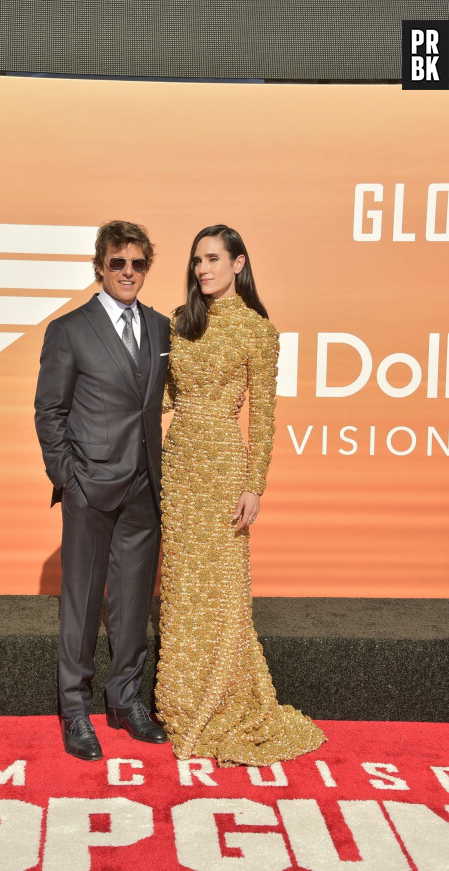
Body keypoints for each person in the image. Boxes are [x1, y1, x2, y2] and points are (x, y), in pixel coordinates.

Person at [155, 224, 326, 766]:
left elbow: (267, 417)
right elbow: (160, 398)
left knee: (223, 590)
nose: (202, 269)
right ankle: (181, 698)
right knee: (183, 585)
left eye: (212, 259)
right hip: (179, 464)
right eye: (196, 261)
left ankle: (226, 699)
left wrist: (256, 484)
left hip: (226, 468)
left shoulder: (258, 331)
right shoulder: (180, 324)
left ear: (238, 263)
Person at [34, 220, 171, 760]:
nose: (128, 272)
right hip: (90, 485)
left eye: (138, 263)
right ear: (100, 267)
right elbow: (50, 411)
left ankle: (126, 699)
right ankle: (74, 709)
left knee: (134, 601)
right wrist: (68, 477)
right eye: (118, 263)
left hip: (144, 486)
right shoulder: (69, 330)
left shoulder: (161, 328)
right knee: (83, 602)